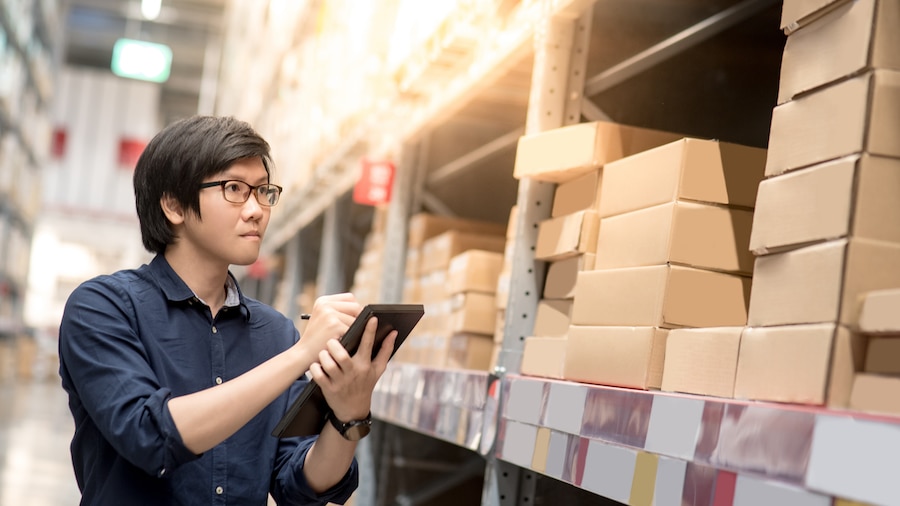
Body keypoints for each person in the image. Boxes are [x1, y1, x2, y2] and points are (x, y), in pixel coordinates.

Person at [58, 115, 396, 505]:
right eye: (234, 188)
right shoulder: (104, 307)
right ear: (173, 205)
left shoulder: (274, 333)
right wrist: (303, 353)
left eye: (263, 191)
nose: (256, 210)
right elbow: (149, 436)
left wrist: (348, 416)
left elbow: (297, 485)